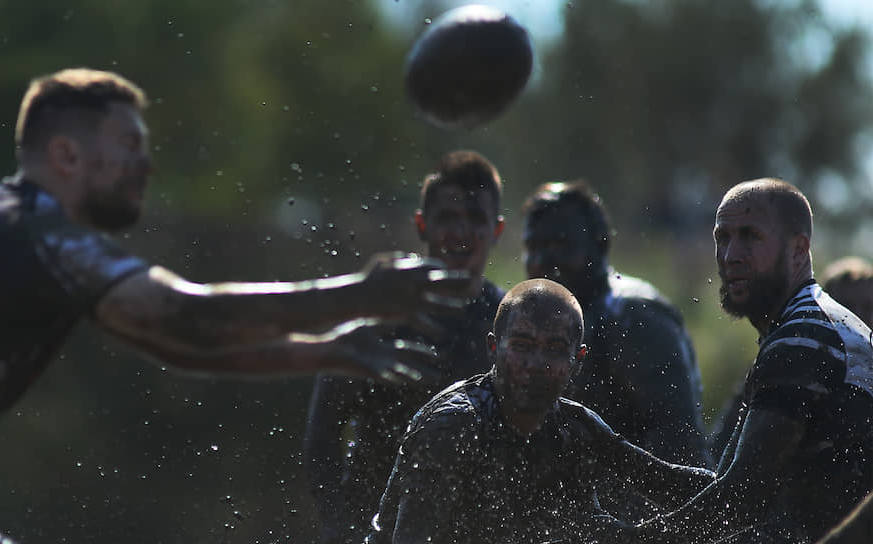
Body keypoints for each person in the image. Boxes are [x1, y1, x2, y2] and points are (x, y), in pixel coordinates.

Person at [0, 68, 472, 543]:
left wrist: (326, 351)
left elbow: (180, 343)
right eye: (129, 144)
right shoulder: (39, 235)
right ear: (66, 154)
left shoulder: (18, 229)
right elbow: (191, 315)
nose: (147, 164)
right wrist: (360, 294)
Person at [365, 279, 715, 544]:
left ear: (577, 361)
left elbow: (666, 482)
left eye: (554, 350)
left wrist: (753, 485)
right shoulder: (454, 426)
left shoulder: (576, 427)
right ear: (494, 348)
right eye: (522, 346)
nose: (536, 364)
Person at [634, 179, 873, 543]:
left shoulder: (803, 337)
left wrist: (627, 537)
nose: (731, 256)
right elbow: (727, 481)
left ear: (798, 249)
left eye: (751, 237)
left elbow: (738, 500)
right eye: (722, 238)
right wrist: (607, 447)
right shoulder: (803, 325)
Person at [303, 150, 505, 544]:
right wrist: (340, 524)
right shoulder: (380, 314)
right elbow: (323, 433)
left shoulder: (509, 325)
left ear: (496, 230)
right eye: (447, 218)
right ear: (422, 225)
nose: (461, 232)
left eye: (475, 219)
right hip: (376, 526)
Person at [521, 181, 708, 522]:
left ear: (600, 244)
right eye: (532, 247)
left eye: (560, 244)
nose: (541, 261)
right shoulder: (550, 317)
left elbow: (681, 446)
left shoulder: (632, 315)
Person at [709, 254, 873, 460]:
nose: (857, 316)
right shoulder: (779, 369)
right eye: (847, 306)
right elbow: (720, 451)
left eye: (868, 307)